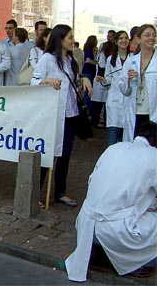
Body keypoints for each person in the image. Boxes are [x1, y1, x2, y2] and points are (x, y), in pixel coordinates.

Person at [65, 121, 157, 282]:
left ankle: (97, 252)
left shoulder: (114, 148)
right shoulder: (153, 156)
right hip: (116, 229)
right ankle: (140, 264)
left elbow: (92, 180)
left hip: (87, 225)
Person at [31, 24, 93, 207]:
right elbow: (34, 80)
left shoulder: (71, 60)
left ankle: (60, 192)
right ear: (60, 40)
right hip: (53, 115)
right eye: (70, 38)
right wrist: (46, 80)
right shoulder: (47, 59)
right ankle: (35, 194)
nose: (73, 40)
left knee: (65, 155)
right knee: (47, 153)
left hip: (71, 114)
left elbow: (74, 81)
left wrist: (84, 79)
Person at [119, 24, 157, 141]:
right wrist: (129, 81)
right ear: (138, 39)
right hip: (135, 113)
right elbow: (124, 91)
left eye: (153, 35)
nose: (151, 38)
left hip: (153, 114)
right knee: (134, 147)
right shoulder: (131, 61)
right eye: (147, 35)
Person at [96, 31, 130, 145]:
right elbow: (109, 78)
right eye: (120, 38)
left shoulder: (133, 58)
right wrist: (104, 80)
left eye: (126, 38)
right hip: (115, 99)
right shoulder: (111, 59)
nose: (124, 40)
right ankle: (110, 158)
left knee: (125, 133)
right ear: (116, 41)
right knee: (113, 131)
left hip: (128, 99)